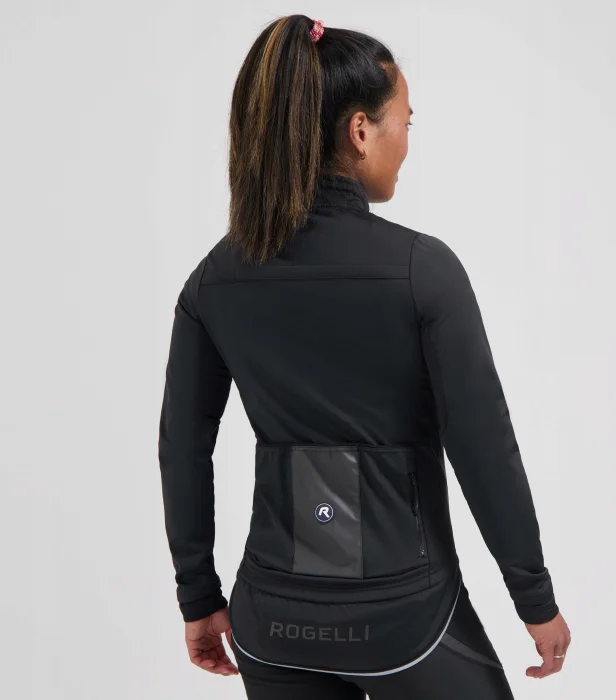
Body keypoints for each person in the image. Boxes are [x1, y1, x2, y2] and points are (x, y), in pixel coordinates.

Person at [157, 14, 571, 700]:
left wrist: (198, 596)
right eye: (404, 121)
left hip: (273, 627)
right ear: (359, 131)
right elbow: (482, 444)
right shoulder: (421, 271)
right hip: (409, 620)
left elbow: (182, 446)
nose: (407, 139)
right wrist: (534, 597)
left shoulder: (215, 278)